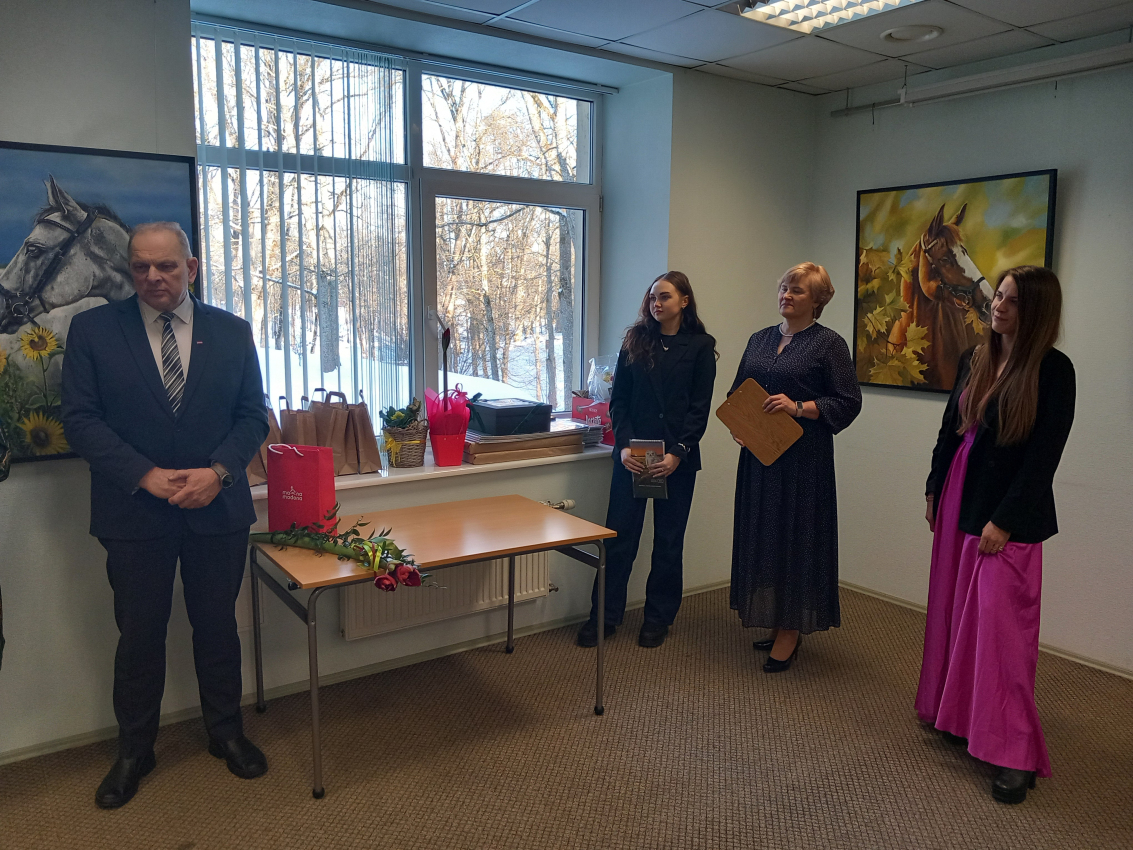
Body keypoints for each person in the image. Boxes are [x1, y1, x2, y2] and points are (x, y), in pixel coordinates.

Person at [61, 222, 270, 809]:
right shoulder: (94, 332)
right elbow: (79, 420)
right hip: (134, 514)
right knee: (139, 636)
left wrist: (219, 472)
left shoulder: (232, 332)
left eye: (166, 266)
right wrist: (145, 475)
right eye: (141, 267)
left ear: (191, 268)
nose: (153, 277)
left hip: (216, 510)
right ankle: (135, 750)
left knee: (218, 627)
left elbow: (253, 416)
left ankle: (225, 733)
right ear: (129, 269)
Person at [916, 265, 1075, 805]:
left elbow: (1043, 458)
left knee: (1003, 633)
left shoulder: (1054, 370)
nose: (998, 306)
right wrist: (934, 486)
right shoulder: (975, 358)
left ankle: (1015, 754)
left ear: (1037, 312)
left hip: (1009, 514)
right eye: (999, 296)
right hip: (960, 496)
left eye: (1012, 301)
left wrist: (1004, 520)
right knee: (956, 614)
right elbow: (950, 429)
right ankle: (960, 715)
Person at [728, 262, 861, 672]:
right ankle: (776, 617)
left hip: (804, 462)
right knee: (765, 535)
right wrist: (740, 425)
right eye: (784, 287)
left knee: (796, 539)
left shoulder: (829, 344)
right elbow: (738, 391)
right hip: (759, 458)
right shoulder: (760, 339)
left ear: (817, 300)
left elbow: (848, 402)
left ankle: (790, 629)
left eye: (797, 290)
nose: (786, 295)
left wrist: (799, 407)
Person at [577, 271, 716, 649]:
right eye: (653, 297)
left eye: (665, 297)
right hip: (634, 456)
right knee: (620, 538)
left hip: (676, 459)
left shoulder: (700, 346)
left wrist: (678, 453)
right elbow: (619, 402)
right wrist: (622, 446)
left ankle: (658, 618)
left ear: (684, 301)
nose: (657, 303)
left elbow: (699, 408)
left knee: (669, 542)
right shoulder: (635, 340)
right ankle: (603, 617)